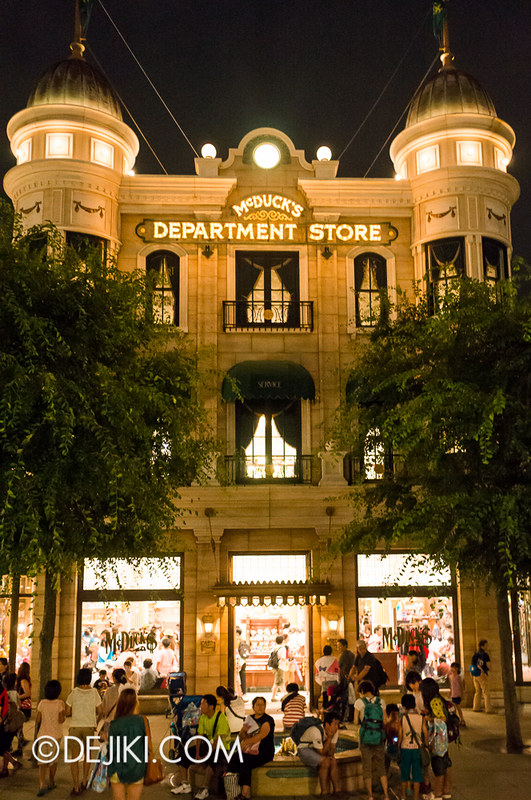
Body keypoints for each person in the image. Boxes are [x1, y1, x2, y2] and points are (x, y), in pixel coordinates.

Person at [65, 667, 103, 795]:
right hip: (89, 727)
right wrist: (95, 722)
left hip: (75, 727)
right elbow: (100, 711)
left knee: (74, 759)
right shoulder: (94, 693)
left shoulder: (74, 692)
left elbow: (68, 711)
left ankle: (76, 786)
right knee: (88, 755)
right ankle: (85, 780)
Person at [230, 696, 275, 800]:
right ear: (253, 706)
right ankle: (232, 789)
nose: (260, 707)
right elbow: (242, 735)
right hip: (250, 751)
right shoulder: (250, 718)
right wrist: (243, 732)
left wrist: (246, 742)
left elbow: (262, 735)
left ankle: (246, 793)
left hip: (264, 752)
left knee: (245, 760)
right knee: (233, 759)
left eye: (262, 704)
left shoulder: (268, 720)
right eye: (257, 705)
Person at [189, 694, 232, 800]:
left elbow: (218, 742)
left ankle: (205, 788)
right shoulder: (203, 717)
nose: (200, 706)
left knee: (213, 759)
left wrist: (205, 757)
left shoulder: (221, 718)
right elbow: (199, 737)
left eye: (203, 704)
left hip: (222, 749)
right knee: (186, 752)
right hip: (209, 746)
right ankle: (186, 784)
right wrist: (197, 754)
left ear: (211, 706)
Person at [107, 688, 148, 800]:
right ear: (135, 703)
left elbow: (112, 750)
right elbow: (145, 746)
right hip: (137, 768)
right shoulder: (141, 721)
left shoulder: (115, 724)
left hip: (117, 768)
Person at [354, 680, 389, 800]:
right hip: (379, 737)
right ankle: (386, 795)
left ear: (362, 691)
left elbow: (355, 721)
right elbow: (385, 721)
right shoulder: (381, 702)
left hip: (365, 738)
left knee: (367, 768)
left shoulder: (359, 702)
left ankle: (370, 796)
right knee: (381, 767)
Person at [420, 678, 452, 800]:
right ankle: (446, 790)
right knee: (446, 763)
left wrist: (428, 719)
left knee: (438, 766)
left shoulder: (434, 702)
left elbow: (441, 718)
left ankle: (438, 793)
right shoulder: (440, 700)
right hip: (443, 739)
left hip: (438, 739)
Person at [296, 711, 340, 794]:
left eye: (338, 724)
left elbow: (331, 752)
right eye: (335, 724)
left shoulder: (335, 731)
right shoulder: (315, 731)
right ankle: (324, 792)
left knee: (333, 760)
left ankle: (337, 790)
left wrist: (330, 755)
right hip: (304, 749)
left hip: (317, 749)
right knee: (325, 762)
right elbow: (322, 753)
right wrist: (330, 738)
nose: (337, 727)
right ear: (327, 724)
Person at [35, 679, 65, 796]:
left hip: (42, 735)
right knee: (53, 761)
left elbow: (38, 719)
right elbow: (61, 720)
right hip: (55, 736)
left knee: (42, 761)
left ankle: (42, 784)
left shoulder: (42, 703)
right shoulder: (60, 703)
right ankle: (51, 781)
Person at [399, 693, 423, 800]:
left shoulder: (403, 719)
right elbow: (425, 733)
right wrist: (425, 745)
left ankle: (403, 796)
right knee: (417, 774)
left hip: (405, 748)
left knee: (405, 774)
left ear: (404, 706)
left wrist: (398, 746)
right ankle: (416, 797)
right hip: (417, 749)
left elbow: (400, 735)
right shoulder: (421, 718)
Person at [100, 668, 127, 734]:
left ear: (114, 678)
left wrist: (97, 721)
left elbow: (103, 709)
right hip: (124, 722)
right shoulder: (128, 690)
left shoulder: (109, 691)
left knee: (110, 742)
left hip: (110, 722)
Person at [471, 639, 494, 713]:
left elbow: (472, 665)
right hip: (482, 674)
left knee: (477, 691)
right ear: (482, 646)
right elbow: (488, 665)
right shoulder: (485, 655)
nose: (487, 646)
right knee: (486, 691)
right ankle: (488, 709)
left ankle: (476, 707)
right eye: (486, 645)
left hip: (475, 674)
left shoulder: (475, 654)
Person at [314, 645, 340, 710]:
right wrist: (338, 680)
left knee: (325, 696)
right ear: (331, 651)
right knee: (333, 697)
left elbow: (317, 672)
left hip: (324, 681)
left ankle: (324, 709)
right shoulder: (334, 659)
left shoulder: (319, 661)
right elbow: (337, 670)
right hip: (333, 680)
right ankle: (330, 709)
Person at [15, 661, 31, 753]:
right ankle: (21, 744)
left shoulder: (23, 681)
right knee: (18, 727)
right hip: (25, 707)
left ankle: (20, 747)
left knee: (18, 727)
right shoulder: (25, 680)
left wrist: (17, 697)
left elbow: (27, 693)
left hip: (23, 707)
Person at [337, 639, 355, 721]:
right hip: (350, 679)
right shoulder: (351, 654)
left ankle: (344, 716)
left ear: (345, 646)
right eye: (338, 646)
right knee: (351, 698)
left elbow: (340, 667)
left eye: (340, 646)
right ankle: (350, 716)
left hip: (345, 680)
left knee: (345, 699)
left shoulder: (344, 655)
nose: (338, 648)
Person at [269, 636, 288, 701]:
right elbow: (283, 657)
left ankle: (284, 695)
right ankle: (273, 697)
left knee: (280, 681)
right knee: (278, 682)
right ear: (282, 641)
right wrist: (287, 659)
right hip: (280, 666)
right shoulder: (283, 648)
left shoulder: (273, 647)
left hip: (274, 666)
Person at [384, 703, 400, 773]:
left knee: (386, 764)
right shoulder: (400, 724)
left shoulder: (386, 725)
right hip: (398, 748)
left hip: (389, 748)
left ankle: (384, 779)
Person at [236, 627, 250, 696]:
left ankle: (243, 693)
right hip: (239, 662)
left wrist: (240, 663)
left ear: (237, 634)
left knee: (241, 678)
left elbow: (242, 654)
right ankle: (241, 693)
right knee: (239, 678)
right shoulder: (239, 641)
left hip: (241, 663)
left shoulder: (241, 642)